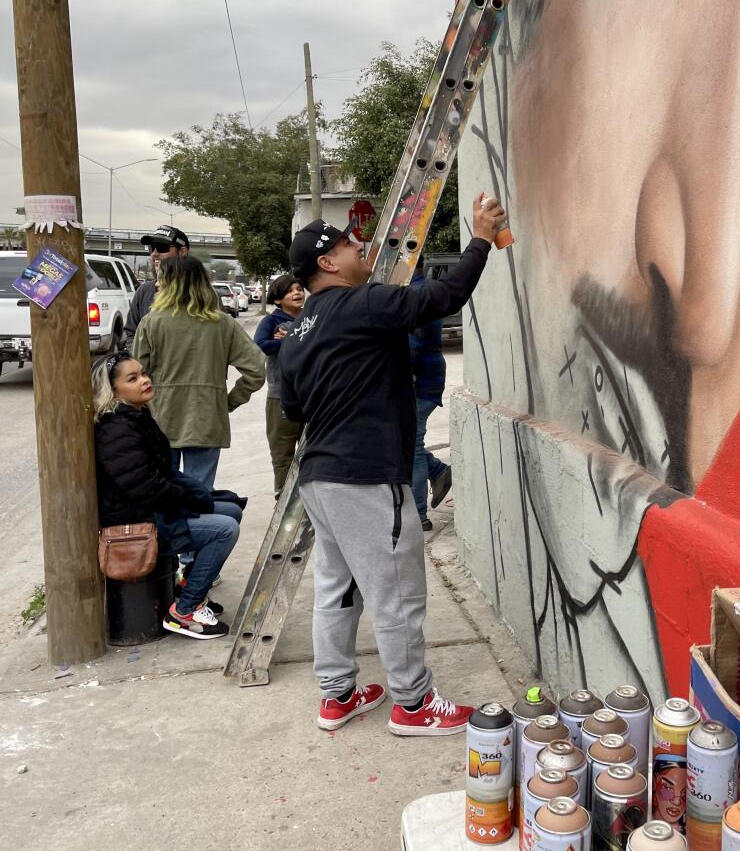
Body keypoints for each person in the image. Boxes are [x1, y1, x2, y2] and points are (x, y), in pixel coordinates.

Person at [277, 194, 506, 735]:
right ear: (327, 263)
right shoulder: (362, 304)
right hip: (366, 476)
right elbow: (443, 297)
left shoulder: (298, 330)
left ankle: (337, 696)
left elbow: (292, 409)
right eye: (350, 245)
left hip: (320, 478)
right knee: (397, 589)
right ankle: (413, 703)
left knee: (338, 589)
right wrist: (479, 238)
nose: (362, 248)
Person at [93, 351, 243, 639]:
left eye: (144, 374)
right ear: (113, 390)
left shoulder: (136, 416)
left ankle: (190, 587)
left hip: (150, 511)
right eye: (133, 378)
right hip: (135, 525)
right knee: (224, 530)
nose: (145, 381)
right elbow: (147, 488)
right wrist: (190, 499)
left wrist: (198, 494)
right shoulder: (116, 429)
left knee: (230, 509)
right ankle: (184, 612)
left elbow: (162, 475)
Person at [133, 254, 265, 490]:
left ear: (172, 283)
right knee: (200, 497)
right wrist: (228, 402)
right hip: (207, 418)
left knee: (165, 497)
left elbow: (135, 376)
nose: (155, 284)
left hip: (161, 420)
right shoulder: (223, 324)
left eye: (160, 279)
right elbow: (256, 370)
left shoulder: (151, 323)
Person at [409, 257, 453, 532]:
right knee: (404, 443)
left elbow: (410, 346)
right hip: (427, 380)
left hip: (418, 383)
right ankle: (437, 471)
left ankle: (417, 515)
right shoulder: (420, 289)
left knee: (410, 446)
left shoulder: (413, 294)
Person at [254, 275, 306, 497]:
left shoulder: (311, 317)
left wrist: (289, 339)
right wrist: (291, 341)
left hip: (312, 395)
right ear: (277, 300)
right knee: (282, 453)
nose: (297, 293)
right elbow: (262, 345)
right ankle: (283, 497)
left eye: (299, 288)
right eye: (289, 291)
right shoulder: (271, 321)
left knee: (312, 451)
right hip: (280, 396)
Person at [128, 224, 189, 343]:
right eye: (152, 247)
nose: (154, 254)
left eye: (162, 247)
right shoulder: (144, 291)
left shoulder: (203, 293)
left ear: (182, 252)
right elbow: (131, 333)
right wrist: (139, 359)